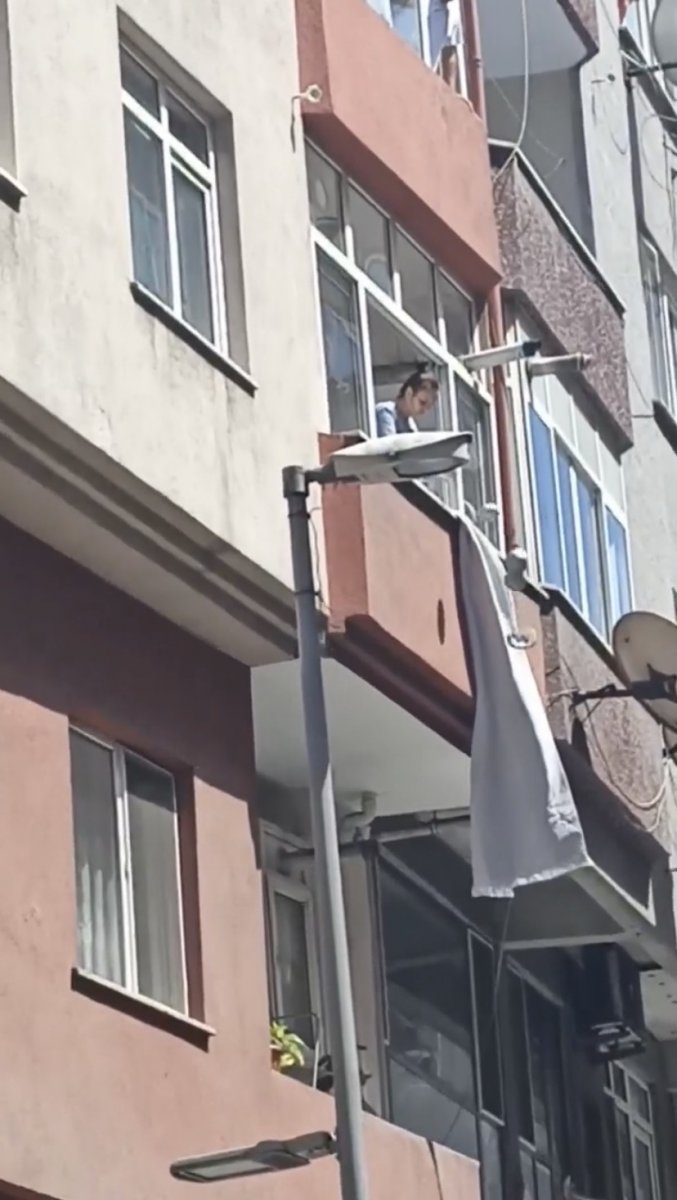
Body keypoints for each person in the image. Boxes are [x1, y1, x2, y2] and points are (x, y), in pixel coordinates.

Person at [375, 368, 440, 437]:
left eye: (428, 407)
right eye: (422, 402)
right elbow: (389, 442)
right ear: (409, 393)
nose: (425, 411)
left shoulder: (411, 425)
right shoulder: (386, 412)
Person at [428, 0, 463, 91]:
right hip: (440, 9)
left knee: (445, 51)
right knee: (446, 50)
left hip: (444, 10)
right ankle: (446, 89)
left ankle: (449, 89)